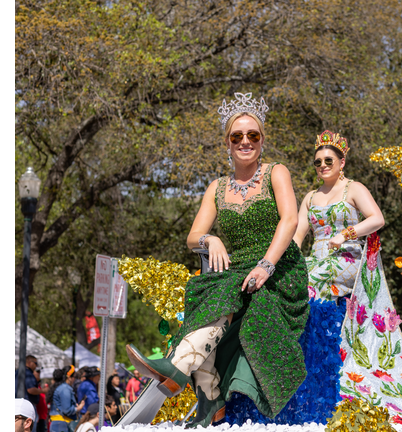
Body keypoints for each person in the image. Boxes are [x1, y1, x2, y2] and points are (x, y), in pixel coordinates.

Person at [126, 92, 310, 428]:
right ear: (227, 142)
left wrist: (266, 265)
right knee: (203, 292)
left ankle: (178, 370)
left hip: (280, 269)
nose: (245, 141)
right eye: (237, 136)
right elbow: (193, 235)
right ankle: (209, 398)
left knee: (224, 292)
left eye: (252, 135)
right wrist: (210, 239)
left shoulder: (276, 173)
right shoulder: (216, 187)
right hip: (236, 268)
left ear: (262, 140)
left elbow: (290, 221)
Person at [293, 130, 385, 301]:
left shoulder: (354, 188)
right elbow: (297, 236)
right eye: (318, 162)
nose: (323, 165)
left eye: (329, 160)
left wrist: (344, 235)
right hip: (317, 259)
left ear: (342, 162)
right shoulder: (310, 197)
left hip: (346, 257)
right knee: (290, 280)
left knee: (312, 280)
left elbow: (377, 219)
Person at [49, 366, 85, 432]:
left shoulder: (62, 387)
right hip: (62, 424)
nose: (75, 379)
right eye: (74, 376)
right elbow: (67, 410)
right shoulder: (65, 389)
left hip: (59, 424)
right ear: (69, 377)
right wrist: (78, 408)